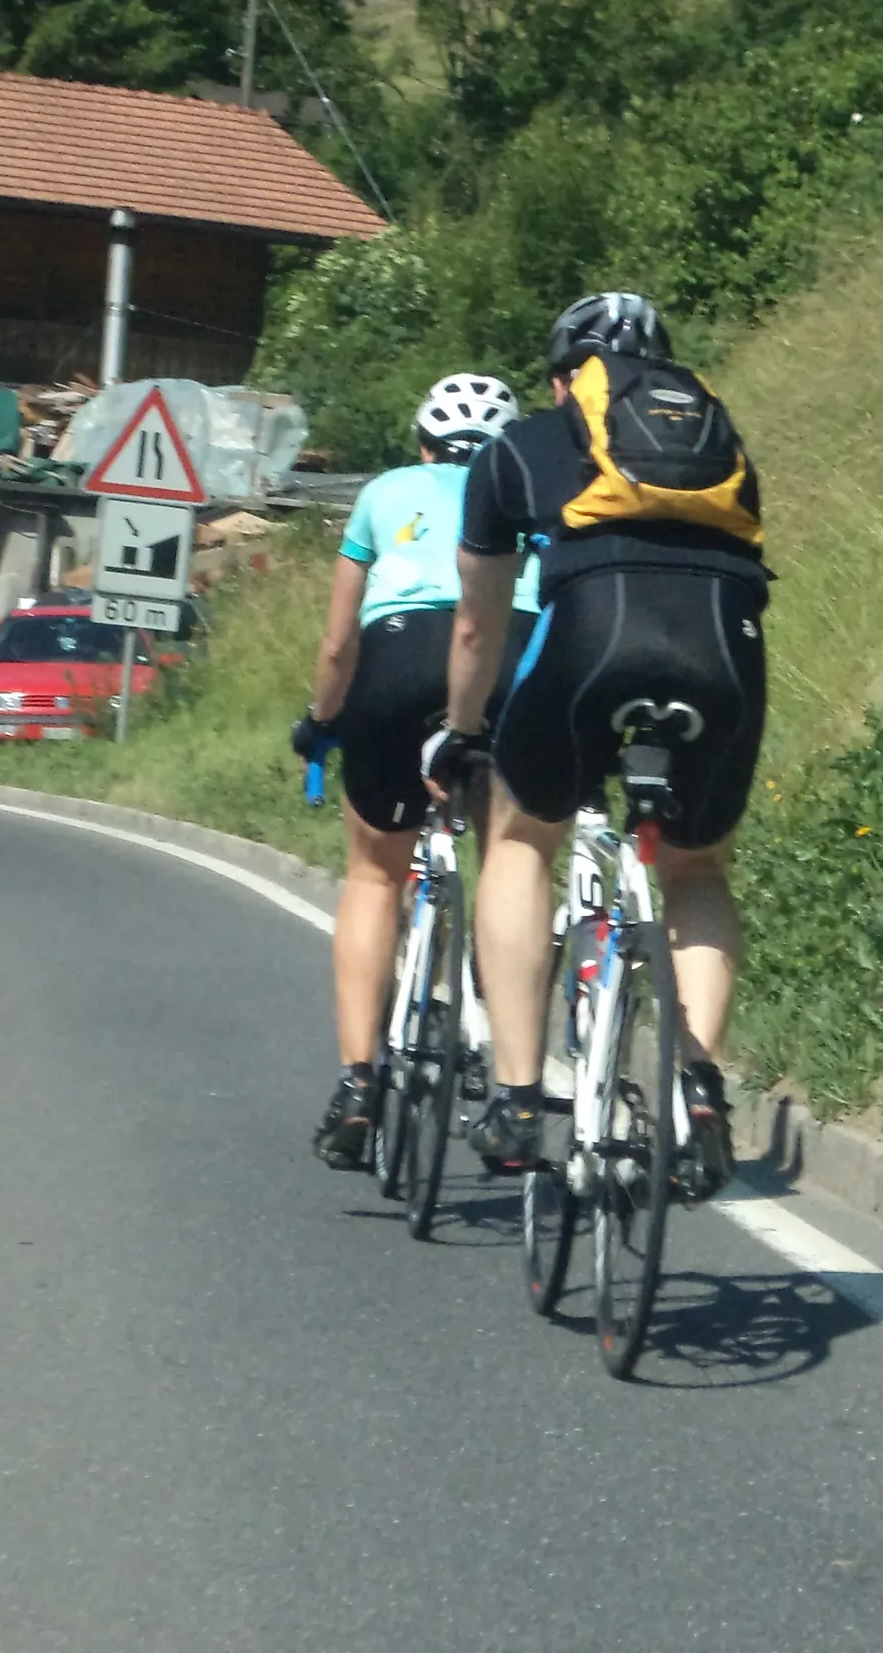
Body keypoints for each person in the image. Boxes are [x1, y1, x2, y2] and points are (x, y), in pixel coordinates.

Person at [420, 293, 766, 1196]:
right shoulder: (718, 442)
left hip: (590, 644)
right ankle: (698, 1085)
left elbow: (475, 625)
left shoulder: (517, 448)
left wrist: (463, 731)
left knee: (524, 836)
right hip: (725, 654)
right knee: (695, 871)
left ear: (563, 377)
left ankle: (521, 1093)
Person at [293, 374, 535, 1170]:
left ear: (423, 442)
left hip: (396, 661)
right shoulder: (529, 490)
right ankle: (511, 1091)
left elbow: (337, 646)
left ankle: (359, 1083)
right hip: (505, 658)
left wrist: (322, 722)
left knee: (372, 875)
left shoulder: (385, 491)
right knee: (514, 865)